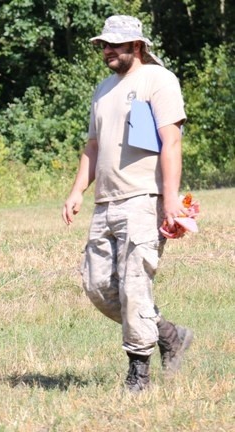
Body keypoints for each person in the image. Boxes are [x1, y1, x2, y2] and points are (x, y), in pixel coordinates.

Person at [62, 15, 194, 393]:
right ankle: (169, 334)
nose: (107, 51)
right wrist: (77, 192)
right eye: (104, 45)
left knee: (135, 286)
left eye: (115, 45)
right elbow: (92, 146)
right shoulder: (103, 89)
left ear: (137, 46)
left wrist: (170, 199)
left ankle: (139, 375)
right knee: (98, 286)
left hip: (143, 199)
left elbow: (171, 142)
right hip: (106, 202)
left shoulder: (159, 80)